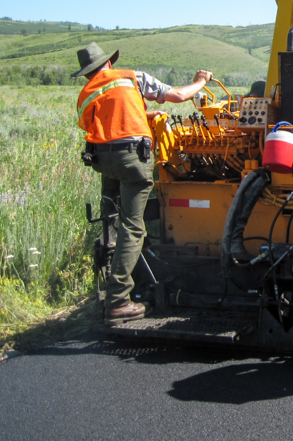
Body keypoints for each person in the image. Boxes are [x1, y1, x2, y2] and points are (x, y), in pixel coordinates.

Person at [72, 42, 213, 324]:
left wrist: (142, 115)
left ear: (88, 73)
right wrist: (200, 82)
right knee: (133, 227)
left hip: (102, 159)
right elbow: (176, 95)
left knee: (112, 215)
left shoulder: (86, 94)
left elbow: (100, 125)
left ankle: (124, 273)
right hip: (131, 159)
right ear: (108, 63)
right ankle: (118, 301)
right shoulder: (131, 77)